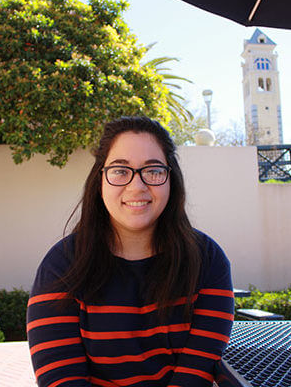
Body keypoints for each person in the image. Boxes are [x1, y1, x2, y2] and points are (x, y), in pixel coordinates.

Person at [27, 116, 234, 387]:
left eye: (153, 170)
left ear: (171, 179)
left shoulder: (206, 260)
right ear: (100, 179)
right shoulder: (62, 265)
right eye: (120, 170)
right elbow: (61, 379)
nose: (137, 186)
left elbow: (196, 373)